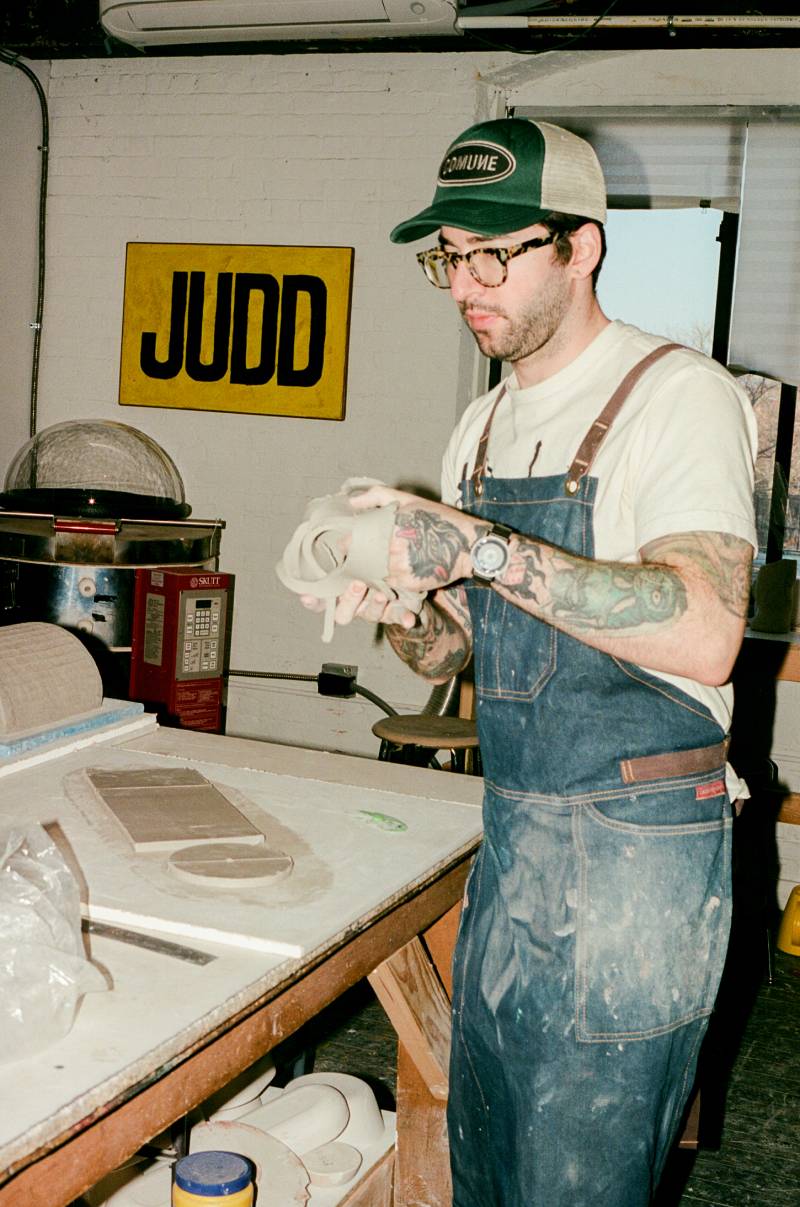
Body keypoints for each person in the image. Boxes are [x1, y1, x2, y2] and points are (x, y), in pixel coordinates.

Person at [299, 117, 757, 1205]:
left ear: (581, 245)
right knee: (489, 1158)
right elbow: (455, 650)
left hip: (635, 852)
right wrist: (401, 605)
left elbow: (704, 627)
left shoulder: (675, 395)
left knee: (577, 1181)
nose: (466, 282)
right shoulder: (483, 425)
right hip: (513, 833)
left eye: (494, 253)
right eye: (449, 254)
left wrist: (481, 546)